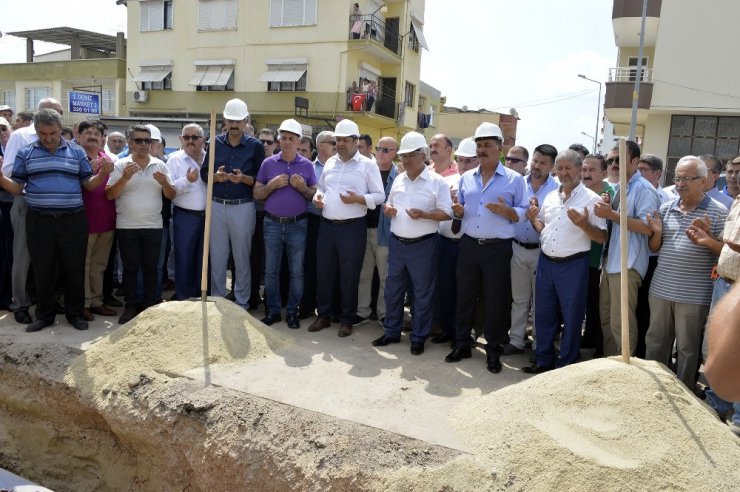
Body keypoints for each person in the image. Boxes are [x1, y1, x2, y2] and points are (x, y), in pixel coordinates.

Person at [0, 108, 113, 332]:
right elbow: (16, 188)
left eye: (53, 133)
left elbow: (88, 184)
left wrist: (101, 175)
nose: (48, 138)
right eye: (43, 134)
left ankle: (75, 314)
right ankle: (44, 316)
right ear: (37, 132)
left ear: (60, 130)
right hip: (39, 220)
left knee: (74, 268)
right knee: (43, 270)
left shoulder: (76, 152)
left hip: (72, 220)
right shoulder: (26, 152)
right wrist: (0, 178)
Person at [444, 122, 528, 374]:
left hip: (497, 249)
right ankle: (462, 344)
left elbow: (523, 212)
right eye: (479, 145)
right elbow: (458, 208)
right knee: (464, 296)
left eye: (487, 145)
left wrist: (508, 211)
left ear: (500, 148)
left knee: (495, 301)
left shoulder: (514, 180)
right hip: (469, 245)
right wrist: (456, 211)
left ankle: (493, 351)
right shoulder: (467, 178)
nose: (482, 150)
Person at [645, 156, 728, 389]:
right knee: (656, 343)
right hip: (661, 289)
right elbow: (654, 248)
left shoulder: (718, 212)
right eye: (677, 178)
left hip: (694, 294)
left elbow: (726, 253)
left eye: (686, 178)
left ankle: (684, 393)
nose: (680, 183)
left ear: (703, 181)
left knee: (687, 349)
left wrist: (707, 240)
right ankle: (655, 390)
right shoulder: (666, 207)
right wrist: (657, 232)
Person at [522, 150, 607, 373]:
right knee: (543, 313)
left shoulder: (591, 199)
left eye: (568, 168)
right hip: (546, 263)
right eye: (559, 168)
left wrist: (583, 225)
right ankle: (543, 361)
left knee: (572, 316)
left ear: (579, 170)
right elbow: (544, 229)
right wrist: (533, 220)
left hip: (573, 265)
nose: (563, 173)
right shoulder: (550, 196)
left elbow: (601, 237)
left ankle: (566, 364)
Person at [371, 132, 452, 355]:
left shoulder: (437, 182)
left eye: (410, 156)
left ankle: (418, 337)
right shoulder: (399, 178)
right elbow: (388, 204)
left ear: (422, 155)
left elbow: (447, 213)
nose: (405, 160)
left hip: (423, 246)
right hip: (397, 243)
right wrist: (388, 210)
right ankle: (391, 331)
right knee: (393, 291)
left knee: (422, 294)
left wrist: (425, 214)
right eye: (403, 156)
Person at [308, 119, 384, 337]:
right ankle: (323, 315)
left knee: (350, 275)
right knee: (324, 272)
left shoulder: (368, 165)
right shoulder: (330, 163)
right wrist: (318, 199)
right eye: (337, 140)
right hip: (327, 226)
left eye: (343, 140)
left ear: (355, 141)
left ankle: (347, 319)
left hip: (352, 228)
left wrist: (360, 199)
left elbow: (380, 196)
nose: (339, 144)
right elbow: (320, 189)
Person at [2, 97, 65, 326]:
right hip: (26, 201)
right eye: (54, 111)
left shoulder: (61, 137)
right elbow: (9, 171)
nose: (58, 114)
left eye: (60, 112)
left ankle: (46, 300)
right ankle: (20, 304)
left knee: (51, 258)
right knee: (22, 256)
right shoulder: (21, 136)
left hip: (54, 206)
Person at [593, 141, 659, 356]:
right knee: (606, 318)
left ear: (634, 161)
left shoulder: (643, 189)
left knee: (622, 322)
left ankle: (625, 367)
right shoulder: (621, 186)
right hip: (611, 263)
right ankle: (611, 364)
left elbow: (648, 228)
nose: (613, 164)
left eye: (619, 160)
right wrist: (609, 209)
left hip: (627, 264)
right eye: (610, 160)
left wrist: (612, 215)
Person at [106, 125, 175, 324]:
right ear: (130, 142)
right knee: (130, 268)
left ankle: (150, 303)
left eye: (148, 140)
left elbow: (171, 196)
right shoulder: (121, 165)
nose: (144, 144)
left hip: (153, 225)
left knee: (151, 268)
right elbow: (110, 194)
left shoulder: (160, 165)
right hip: (127, 226)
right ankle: (131, 304)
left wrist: (165, 184)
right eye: (139, 140)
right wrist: (125, 178)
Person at [200, 98, 264, 310]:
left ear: (246, 121)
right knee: (217, 257)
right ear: (225, 120)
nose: (234, 125)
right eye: (231, 121)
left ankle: (242, 303)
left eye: (238, 121)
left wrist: (243, 178)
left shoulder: (255, 146)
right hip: (217, 205)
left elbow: (259, 179)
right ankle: (218, 299)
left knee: (242, 256)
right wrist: (217, 177)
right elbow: (204, 174)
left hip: (243, 206)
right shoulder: (215, 142)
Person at [253, 119, 317, 329]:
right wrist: (271, 185)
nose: (287, 142)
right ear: (278, 140)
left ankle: (292, 312)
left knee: (296, 271)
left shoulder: (307, 165)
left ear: (299, 141)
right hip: (272, 224)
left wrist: (302, 188)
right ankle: (273, 311)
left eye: (291, 138)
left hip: (298, 225)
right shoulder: (268, 163)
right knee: (271, 271)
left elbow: (314, 196)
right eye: (283, 138)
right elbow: (257, 193)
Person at [505, 144, 559, 356]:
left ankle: (539, 344)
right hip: (516, 247)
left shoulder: (556, 189)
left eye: (543, 163)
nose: (537, 166)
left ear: (552, 166)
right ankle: (516, 340)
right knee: (518, 299)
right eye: (535, 161)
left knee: (540, 302)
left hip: (541, 251)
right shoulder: (518, 183)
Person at [431, 138, 478, 344]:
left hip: (467, 246)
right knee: (445, 290)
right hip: (444, 243)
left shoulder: (480, 186)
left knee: (465, 293)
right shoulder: (446, 182)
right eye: (461, 160)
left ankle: (463, 334)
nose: (464, 165)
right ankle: (447, 330)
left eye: (469, 161)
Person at [702, 192, 740, 435]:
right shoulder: (737, 202)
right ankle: (718, 404)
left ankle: (738, 419)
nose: (735, 177)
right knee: (720, 348)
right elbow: (729, 244)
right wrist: (709, 238)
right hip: (724, 281)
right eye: (733, 172)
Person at [355, 136, 399, 325]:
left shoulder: (399, 176)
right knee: (363, 275)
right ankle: (362, 311)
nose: (380, 153)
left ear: (395, 152)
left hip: (385, 232)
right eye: (379, 149)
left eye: (385, 150)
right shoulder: (367, 169)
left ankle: (383, 314)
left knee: (385, 277)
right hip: (363, 228)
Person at [77, 120, 117, 321]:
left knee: (99, 265)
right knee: (83, 265)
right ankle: (82, 303)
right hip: (84, 221)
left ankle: (96, 301)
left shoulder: (106, 157)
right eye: (88, 133)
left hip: (107, 220)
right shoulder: (76, 157)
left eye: (96, 133)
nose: (92, 136)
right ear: (79, 136)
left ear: (102, 138)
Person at [634, 154, 673, 357]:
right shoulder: (634, 190)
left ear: (657, 174)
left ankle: (643, 353)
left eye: (643, 170)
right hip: (634, 257)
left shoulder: (666, 199)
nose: (638, 173)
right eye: (637, 168)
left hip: (653, 260)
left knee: (646, 311)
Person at [166, 123, 206, 300]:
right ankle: (184, 296)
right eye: (187, 137)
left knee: (204, 258)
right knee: (184, 257)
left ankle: (201, 293)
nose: (190, 141)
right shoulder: (174, 159)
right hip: (186, 216)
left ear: (202, 140)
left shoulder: (210, 158)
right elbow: (169, 189)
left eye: (195, 137)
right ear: (181, 140)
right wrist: (187, 180)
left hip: (210, 217)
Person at [300, 130, 336, 319]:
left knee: (332, 266)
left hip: (335, 223)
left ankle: (331, 309)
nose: (336, 145)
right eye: (332, 142)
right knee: (311, 264)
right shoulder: (309, 168)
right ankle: (307, 305)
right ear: (321, 145)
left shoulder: (340, 167)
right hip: (313, 221)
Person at [580, 154, 612, 355]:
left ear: (604, 172)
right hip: (577, 256)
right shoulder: (577, 191)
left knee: (598, 305)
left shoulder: (612, 194)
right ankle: (586, 337)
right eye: (584, 169)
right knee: (582, 304)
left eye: (592, 170)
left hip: (599, 260)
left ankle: (599, 346)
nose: (586, 174)